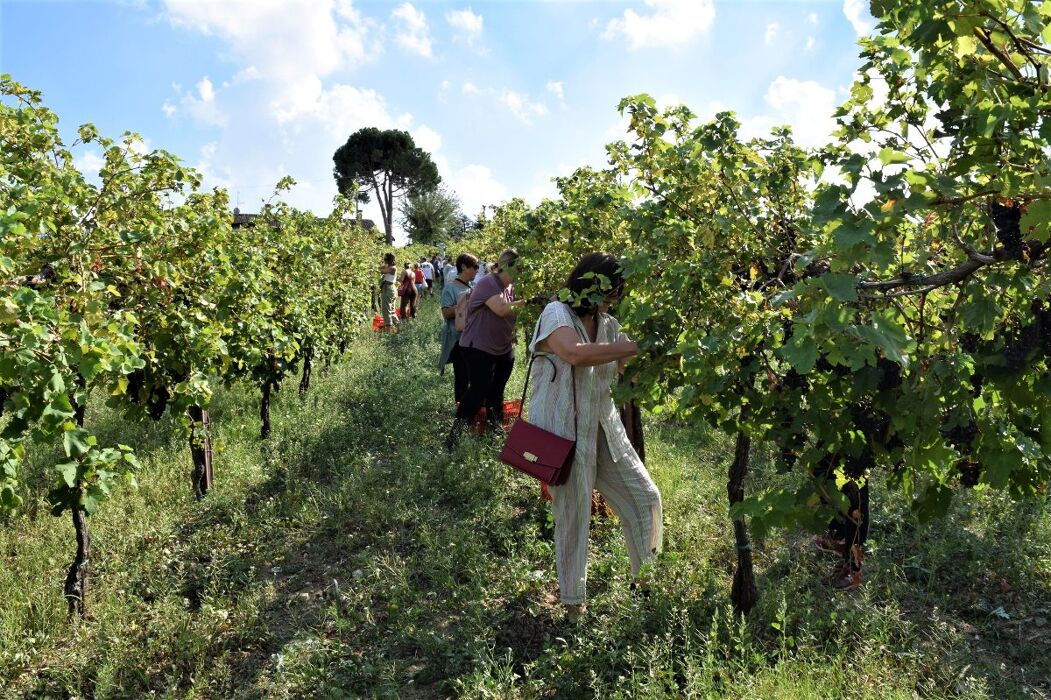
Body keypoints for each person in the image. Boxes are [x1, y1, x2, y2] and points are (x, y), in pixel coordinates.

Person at [526, 252, 662, 621]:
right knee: (573, 516)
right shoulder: (557, 313)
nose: (616, 295)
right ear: (591, 282)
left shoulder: (609, 324)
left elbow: (623, 361)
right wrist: (636, 346)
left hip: (603, 429)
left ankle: (646, 584)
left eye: (621, 289)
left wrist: (667, 348)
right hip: (564, 434)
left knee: (645, 497)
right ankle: (572, 605)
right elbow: (574, 353)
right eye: (612, 287)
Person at [446, 249, 526, 447]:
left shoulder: (511, 287)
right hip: (478, 346)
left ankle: (495, 434)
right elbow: (501, 309)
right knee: (478, 391)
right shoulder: (489, 283)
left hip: (502, 347)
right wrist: (529, 302)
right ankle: (454, 437)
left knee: (496, 392)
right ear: (508, 266)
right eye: (520, 268)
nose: (524, 272)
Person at [439, 253, 479, 404]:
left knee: (474, 376)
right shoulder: (450, 288)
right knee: (462, 377)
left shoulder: (474, 287)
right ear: (463, 267)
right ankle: (461, 412)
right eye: (474, 267)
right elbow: (446, 312)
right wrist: (463, 305)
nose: (477, 270)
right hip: (458, 340)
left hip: (474, 339)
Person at [379, 252, 398, 332]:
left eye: (385, 258)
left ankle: (389, 332)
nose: (384, 260)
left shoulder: (392, 268)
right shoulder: (390, 266)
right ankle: (398, 329)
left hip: (388, 288)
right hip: (390, 288)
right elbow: (381, 267)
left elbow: (382, 270)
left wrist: (382, 266)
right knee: (391, 310)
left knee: (386, 310)